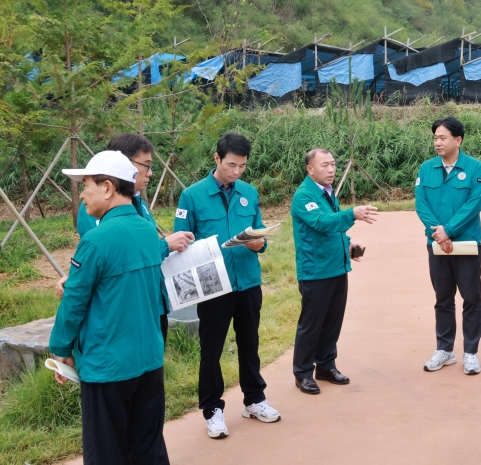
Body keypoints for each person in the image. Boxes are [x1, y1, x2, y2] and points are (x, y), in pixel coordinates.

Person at [50, 151, 169, 464]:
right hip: (148, 359)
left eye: (86, 184)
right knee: (148, 446)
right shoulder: (146, 231)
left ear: (107, 187)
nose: (83, 194)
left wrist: (61, 351)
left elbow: (74, 301)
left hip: (108, 366)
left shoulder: (96, 240)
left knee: (106, 452)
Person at [174, 133, 280, 439]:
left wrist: (259, 244)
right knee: (212, 349)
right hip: (213, 286)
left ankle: (255, 399)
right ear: (217, 159)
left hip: (247, 280)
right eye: (231, 164)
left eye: (242, 166)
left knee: (250, 343)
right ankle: (212, 409)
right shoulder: (192, 197)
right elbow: (181, 241)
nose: (236, 172)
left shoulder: (249, 192)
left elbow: (260, 235)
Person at [58, 133, 195, 346]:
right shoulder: (95, 209)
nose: (150, 173)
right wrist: (165, 245)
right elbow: (112, 256)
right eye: (146, 165)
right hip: (123, 311)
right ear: (124, 165)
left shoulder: (138, 202)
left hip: (150, 303)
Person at [290, 148, 378, 395]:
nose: (331, 170)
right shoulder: (303, 196)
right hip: (315, 271)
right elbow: (321, 222)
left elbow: (331, 229)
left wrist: (347, 244)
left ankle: (326, 366)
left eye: (333, 165)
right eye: (324, 165)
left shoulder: (327, 193)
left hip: (336, 268)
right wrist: (353, 214)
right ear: (310, 169)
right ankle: (303, 373)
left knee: (332, 322)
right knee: (311, 324)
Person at [415, 117, 481, 375]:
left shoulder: (475, 168)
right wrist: (439, 233)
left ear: (458, 140)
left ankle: (470, 353)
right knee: (442, 298)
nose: (437, 142)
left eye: (442, 137)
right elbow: (421, 203)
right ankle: (444, 350)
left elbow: (474, 205)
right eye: (435, 137)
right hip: (436, 245)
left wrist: (449, 231)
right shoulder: (426, 169)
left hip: (466, 244)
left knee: (471, 298)